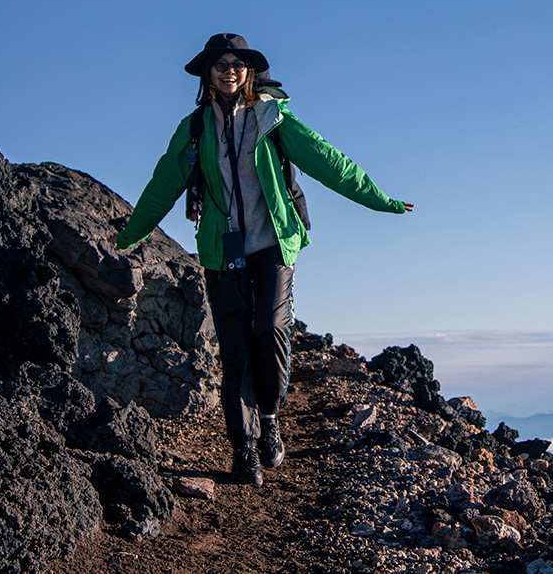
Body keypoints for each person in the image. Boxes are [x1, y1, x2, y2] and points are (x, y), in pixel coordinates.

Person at [114, 33, 413, 485]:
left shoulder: (272, 118)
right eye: (220, 63)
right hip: (221, 248)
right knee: (234, 346)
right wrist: (129, 236)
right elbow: (163, 183)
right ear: (207, 74)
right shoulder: (195, 128)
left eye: (238, 63)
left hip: (273, 244)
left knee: (268, 329)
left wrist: (380, 200)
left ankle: (269, 417)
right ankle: (244, 448)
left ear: (250, 72)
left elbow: (329, 161)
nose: (229, 69)